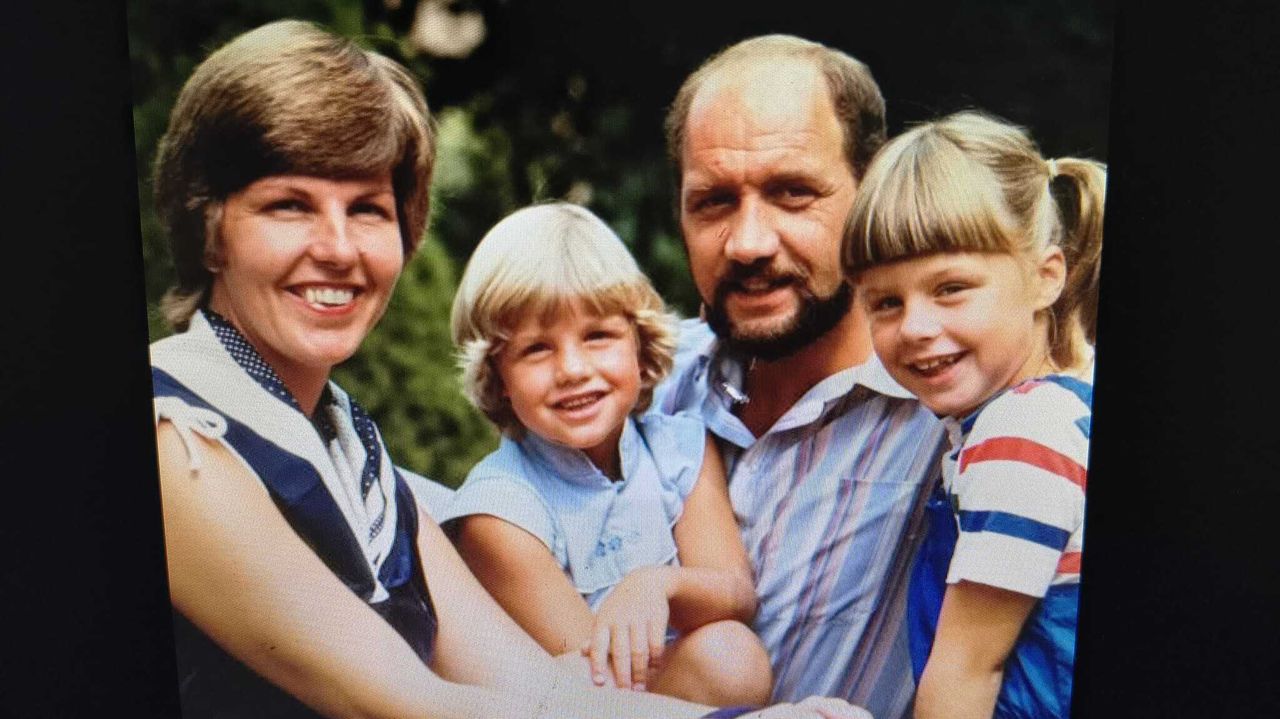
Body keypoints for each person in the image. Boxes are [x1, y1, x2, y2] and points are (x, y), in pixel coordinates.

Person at [148, 19, 867, 719]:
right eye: (288, 206)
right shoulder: (177, 429)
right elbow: (401, 699)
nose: (338, 248)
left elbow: (533, 689)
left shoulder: (348, 441)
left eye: (367, 209)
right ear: (209, 227)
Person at [653, 34, 947, 719]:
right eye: (714, 202)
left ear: (873, 193)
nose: (749, 241)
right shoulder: (637, 387)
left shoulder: (952, 415)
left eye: (792, 193)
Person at [441, 202, 771, 707]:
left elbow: (736, 595)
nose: (572, 369)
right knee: (727, 660)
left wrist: (657, 585)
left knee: (733, 652)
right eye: (536, 349)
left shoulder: (679, 448)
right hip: (595, 704)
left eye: (597, 336)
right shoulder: (500, 515)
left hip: (680, 688)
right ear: (498, 376)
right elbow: (597, 691)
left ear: (641, 347)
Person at [842, 111, 1103, 718]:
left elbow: (964, 675)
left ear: (1045, 278)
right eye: (885, 302)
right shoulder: (1051, 415)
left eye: (951, 288)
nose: (916, 328)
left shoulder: (1021, 437)